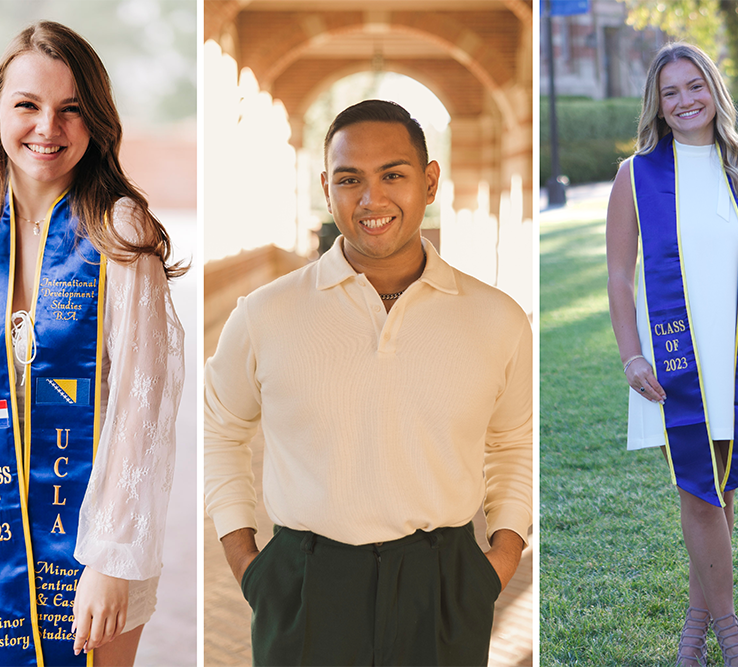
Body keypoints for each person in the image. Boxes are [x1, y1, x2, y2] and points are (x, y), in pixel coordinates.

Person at [0, 21, 185, 667]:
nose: (48, 127)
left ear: (97, 121)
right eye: (28, 105)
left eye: (71, 109)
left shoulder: (118, 233)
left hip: (92, 542)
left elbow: (142, 404)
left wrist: (112, 556)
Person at [204, 99, 532, 666]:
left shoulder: (497, 318)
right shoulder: (264, 314)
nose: (371, 199)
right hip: (304, 587)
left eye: (393, 176)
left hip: (445, 586)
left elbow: (514, 442)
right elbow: (220, 428)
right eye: (350, 179)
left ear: (429, 182)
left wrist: (500, 558)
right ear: (326, 188)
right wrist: (247, 561)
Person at [606, 43, 738, 667]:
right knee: (698, 491)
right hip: (671, 357)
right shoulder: (636, 175)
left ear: (714, 90)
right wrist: (632, 358)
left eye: (695, 86)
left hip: (737, 349)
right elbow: (618, 275)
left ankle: (694, 625)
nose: (684, 101)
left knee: (721, 488)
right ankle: (729, 633)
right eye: (670, 91)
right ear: (656, 104)